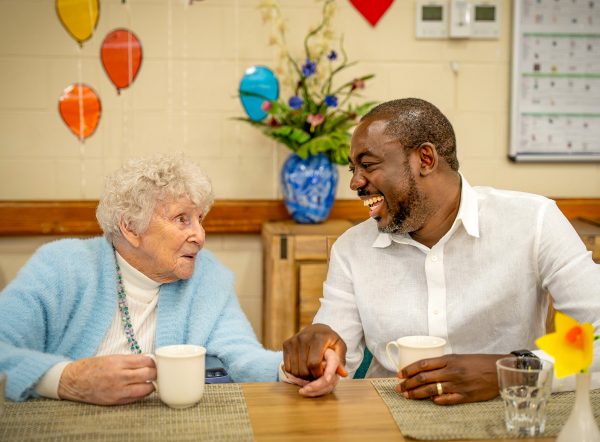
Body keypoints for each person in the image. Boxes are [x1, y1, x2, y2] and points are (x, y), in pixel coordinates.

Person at [282, 98, 600, 403]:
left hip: (509, 420)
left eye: (367, 165)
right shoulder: (352, 248)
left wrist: (514, 370)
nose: (355, 183)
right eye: (353, 168)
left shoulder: (534, 222)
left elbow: (597, 336)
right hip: (386, 423)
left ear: (426, 159)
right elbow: (335, 358)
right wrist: (316, 356)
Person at [0, 154, 286, 404]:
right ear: (131, 227)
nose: (200, 236)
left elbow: (241, 356)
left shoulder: (208, 275)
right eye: (182, 219)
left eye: (201, 218)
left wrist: (289, 368)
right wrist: (68, 379)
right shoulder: (61, 267)